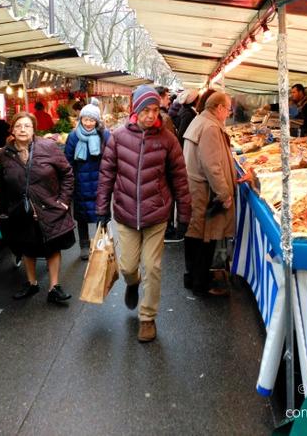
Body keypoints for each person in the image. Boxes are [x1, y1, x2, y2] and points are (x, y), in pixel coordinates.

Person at [96, 85, 191, 343]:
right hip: (125, 214)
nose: (151, 115)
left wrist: (184, 215)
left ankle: (147, 317)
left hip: (156, 214)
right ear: (135, 110)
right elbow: (106, 175)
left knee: (153, 266)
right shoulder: (117, 137)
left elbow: (180, 179)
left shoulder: (168, 140)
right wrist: (101, 208)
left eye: (155, 110)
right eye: (146, 110)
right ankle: (132, 282)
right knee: (127, 266)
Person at [0, 111, 75, 304]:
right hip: (20, 211)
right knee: (27, 246)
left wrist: (63, 201)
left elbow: (68, 174)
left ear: (34, 129)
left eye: (27, 126)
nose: (22, 129)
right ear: (12, 129)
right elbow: (1, 185)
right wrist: (2, 211)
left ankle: (54, 287)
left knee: (52, 246)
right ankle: (32, 283)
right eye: (18, 126)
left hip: (49, 207)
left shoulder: (48, 147)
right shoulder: (5, 154)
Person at [183, 92, 237, 296]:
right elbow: (212, 166)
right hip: (203, 191)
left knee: (194, 235)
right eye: (229, 108)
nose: (229, 113)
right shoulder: (211, 128)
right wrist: (224, 194)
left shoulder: (200, 120)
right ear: (219, 108)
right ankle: (202, 283)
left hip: (195, 187)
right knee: (205, 238)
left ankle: (192, 277)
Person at [64, 103, 110, 260]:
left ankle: (99, 243)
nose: (88, 123)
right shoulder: (74, 136)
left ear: (97, 121)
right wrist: (70, 181)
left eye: (92, 120)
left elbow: (111, 157)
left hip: (100, 181)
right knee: (81, 215)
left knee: (100, 213)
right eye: (85, 119)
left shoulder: (104, 135)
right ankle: (84, 245)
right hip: (80, 183)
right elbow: (67, 160)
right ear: (80, 119)